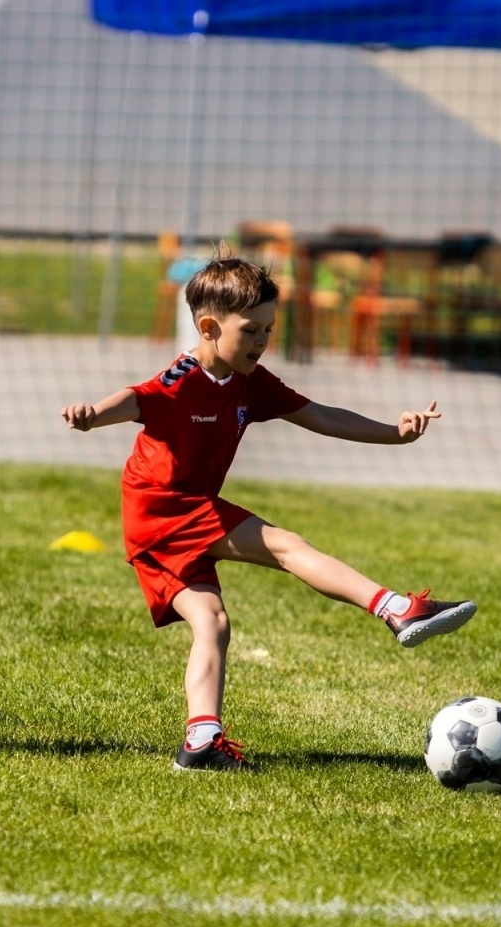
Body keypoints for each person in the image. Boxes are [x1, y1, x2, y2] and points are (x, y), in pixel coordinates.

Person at [61, 249, 476, 773]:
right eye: (251, 330)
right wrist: (91, 415)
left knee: (212, 622)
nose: (261, 341)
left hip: (169, 517)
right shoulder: (182, 379)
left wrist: (394, 434)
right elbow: (135, 399)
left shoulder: (250, 383)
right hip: (164, 510)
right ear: (209, 327)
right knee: (286, 545)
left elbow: (321, 415)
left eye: (268, 330)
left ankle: (201, 742)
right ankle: (396, 609)